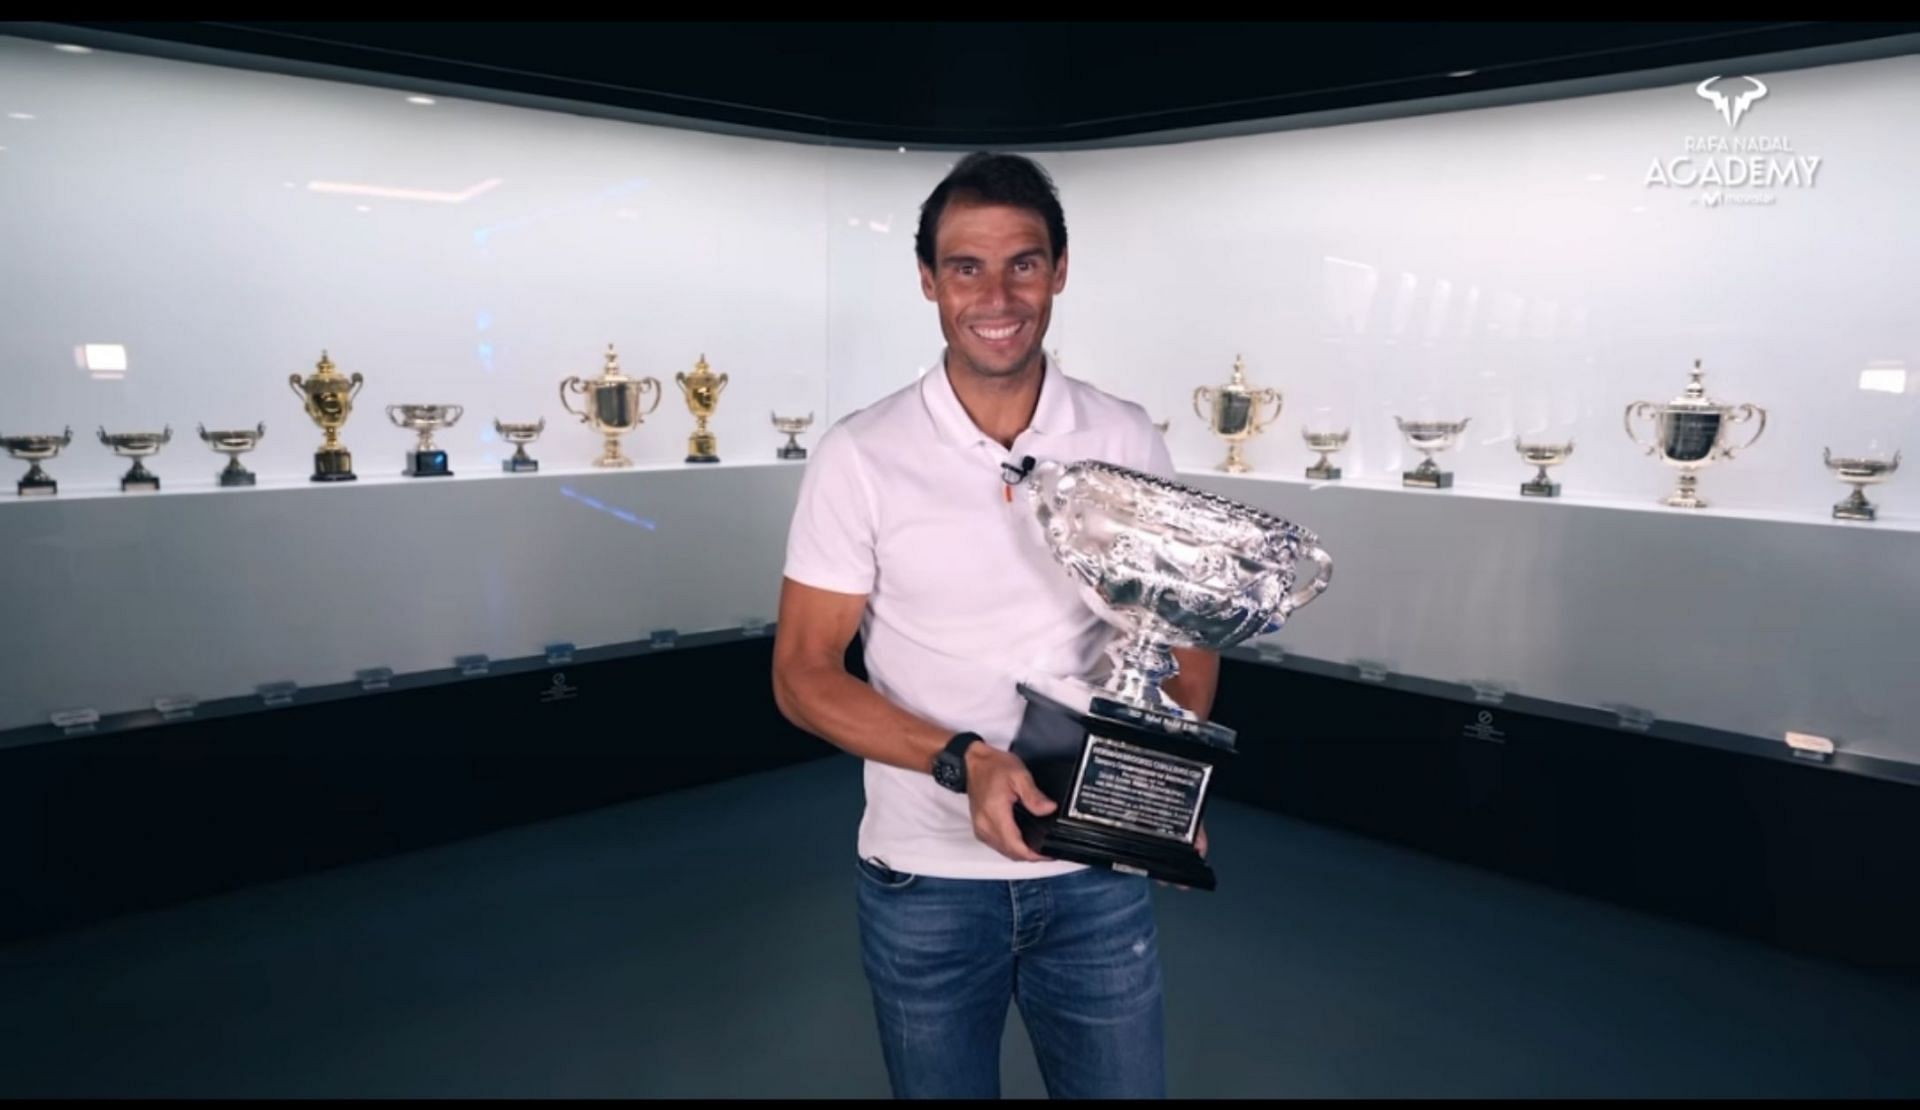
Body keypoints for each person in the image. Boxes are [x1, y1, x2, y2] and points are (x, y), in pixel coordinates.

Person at [771, 151, 1219, 1099]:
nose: (997, 293)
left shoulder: (1128, 438)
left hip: (1094, 875)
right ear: (929, 281)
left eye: (1023, 262)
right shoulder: (861, 454)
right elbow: (804, 674)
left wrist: (1162, 788)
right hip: (924, 881)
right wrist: (963, 760)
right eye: (966, 267)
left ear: (1060, 270)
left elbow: (1178, 637)